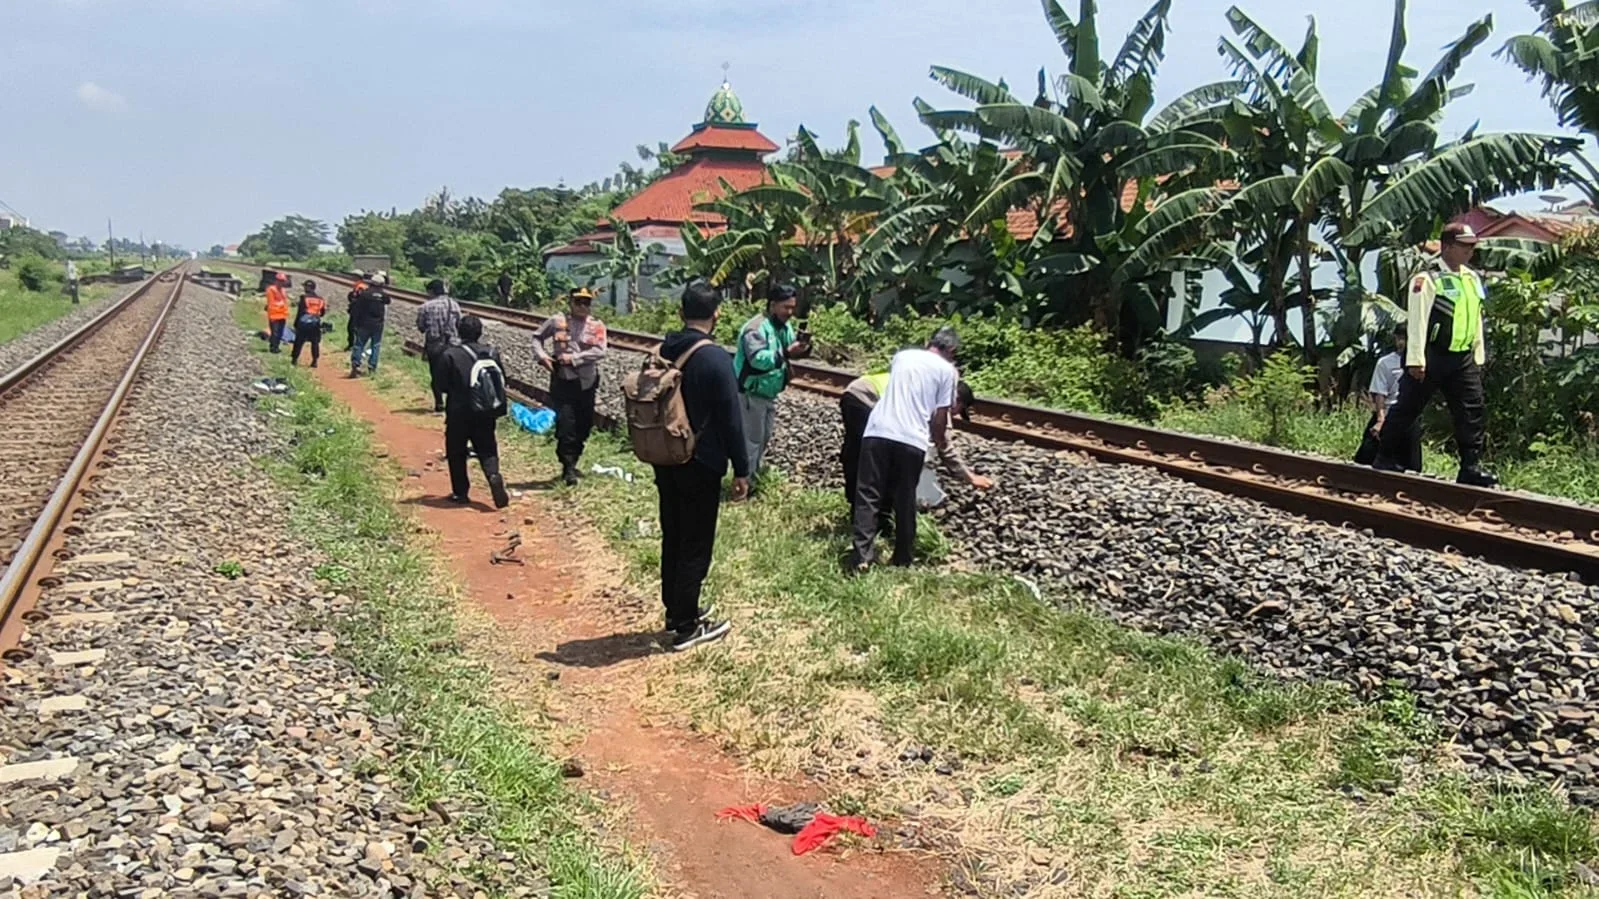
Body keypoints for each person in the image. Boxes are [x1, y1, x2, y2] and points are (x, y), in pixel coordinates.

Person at [653, 280, 746, 652]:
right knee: (696, 541)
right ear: (716, 313)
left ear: (681, 312)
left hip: (664, 456)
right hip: (701, 461)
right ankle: (688, 626)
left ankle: (676, 610)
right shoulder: (715, 358)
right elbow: (731, 419)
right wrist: (742, 468)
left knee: (673, 533)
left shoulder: (662, 348)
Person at [850, 327, 982, 571]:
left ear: (929, 342)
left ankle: (862, 557)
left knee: (868, 495)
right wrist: (942, 445)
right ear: (951, 350)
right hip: (912, 439)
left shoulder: (903, 356)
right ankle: (902, 558)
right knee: (905, 498)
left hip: (878, 430)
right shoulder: (948, 372)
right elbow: (940, 417)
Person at [1376, 223, 1496, 486]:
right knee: (1408, 407)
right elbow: (1417, 322)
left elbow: (1475, 318)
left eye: (1472, 246)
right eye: (1464, 246)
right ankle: (1384, 455)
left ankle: (1470, 467)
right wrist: (1416, 360)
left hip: (1462, 357)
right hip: (1431, 355)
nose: (1469, 251)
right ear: (1448, 246)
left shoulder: (1471, 278)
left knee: (1471, 410)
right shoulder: (1427, 279)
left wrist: (1478, 354)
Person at [840, 372, 990, 510]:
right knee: (874, 457)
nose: (954, 414)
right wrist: (971, 477)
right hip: (868, 399)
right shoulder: (941, 402)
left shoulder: (928, 385)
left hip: (854, 393)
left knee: (858, 451)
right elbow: (943, 445)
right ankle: (871, 510)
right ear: (956, 400)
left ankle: (860, 503)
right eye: (959, 410)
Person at [732, 284, 812, 481]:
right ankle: (744, 485)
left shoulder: (784, 327)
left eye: (792, 307)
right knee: (751, 441)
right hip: (751, 392)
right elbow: (757, 359)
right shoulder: (756, 328)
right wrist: (786, 353)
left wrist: (803, 348)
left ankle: (753, 478)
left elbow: (789, 349)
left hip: (768, 393)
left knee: (763, 439)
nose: (790, 312)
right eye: (786, 307)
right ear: (773, 305)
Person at [531, 288, 609, 485]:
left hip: (586, 382)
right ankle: (568, 466)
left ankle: (574, 459)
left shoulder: (596, 325)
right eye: (578, 302)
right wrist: (542, 357)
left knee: (583, 425)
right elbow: (537, 337)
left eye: (586, 303)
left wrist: (574, 358)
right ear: (571, 303)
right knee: (566, 424)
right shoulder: (557, 321)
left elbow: (600, 351)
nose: (582, 306)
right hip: (562, 380)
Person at [438, 315, 510, 509]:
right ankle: (493, 475)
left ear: (458, 331)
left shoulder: (450, 354)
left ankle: (460, 493)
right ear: (480, 332)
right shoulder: (491, 353)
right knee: (487, 448)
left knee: (456, 450)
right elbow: (502, 379)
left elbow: (441, 385)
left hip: (458, 411)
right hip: (485, 411)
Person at [1354, 324, 1421, 471]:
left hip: (1409, 417)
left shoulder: (1419, 363)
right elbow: (1380, 393)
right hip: (1388, 413)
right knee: (1366, 457)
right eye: (1399, 338)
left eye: (1405, 338)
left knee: (1412, 466)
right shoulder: (1385, 363)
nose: (1401, 342)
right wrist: (1380, 419)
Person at [416, 278, 462, 412]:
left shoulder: (425, 306)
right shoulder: (454, 304)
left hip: (434, 345)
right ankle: (452, 403)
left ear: (431, 291)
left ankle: (439, 403)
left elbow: (421, 326)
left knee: (435, 374)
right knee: (453, 374)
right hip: (453, 344)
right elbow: (459, 323)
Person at [349, 272, 390, 377]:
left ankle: (356, 364)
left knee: (359, 344)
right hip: (378, 324)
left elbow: (358, 309)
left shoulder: (365, 294)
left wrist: (355, 322)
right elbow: (387, 301)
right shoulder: (384, 296)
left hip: (364, 323)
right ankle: (372, 366)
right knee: (375, 345)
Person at [291, 279, 327, 368]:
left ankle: (294, 359)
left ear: (308, 287)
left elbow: (300, 312)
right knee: (315, 342)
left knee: (299, 342)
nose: (304, 288)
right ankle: (315, 361)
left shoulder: (304, 298)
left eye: (305, 287)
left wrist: (296, 324)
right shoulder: (320, 299)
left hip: (303, 323)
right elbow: (322, 313)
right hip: (315, 323)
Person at [264, 273, 291, 353]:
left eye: (283, 281)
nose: (282, 283)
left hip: (282, 314)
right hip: (274, 315)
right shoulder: (271, 289)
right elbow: (271, 303)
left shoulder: (283, 290)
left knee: (280, 332)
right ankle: (273, 347)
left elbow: (284, 302)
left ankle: (277, 346)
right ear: (277, 281)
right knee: (275, 332)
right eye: (281, 281)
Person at [345, 270, 368, 350]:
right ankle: (353, 344)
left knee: (352, 328)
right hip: (356, 309)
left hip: (357, 310)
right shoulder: (358, 285)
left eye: (353, 276)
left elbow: (359, 299)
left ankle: (353, 345)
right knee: (352, 328)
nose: (352, 277)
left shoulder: (361, 286)